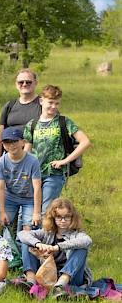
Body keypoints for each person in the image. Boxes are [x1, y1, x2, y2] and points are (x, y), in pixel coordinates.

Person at [24, 85, 91, 213]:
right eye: (50, 102)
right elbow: (27, 149)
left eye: (57, 103)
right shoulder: (32, 124)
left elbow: (85, 142)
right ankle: (29, 233)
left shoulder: (64, 122)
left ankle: (44, 233)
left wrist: (65, 161)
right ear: (41, 100)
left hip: (54, 173)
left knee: (45, 210)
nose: (54, 106)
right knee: (30, 210)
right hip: (34, 173)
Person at [18, 198, 92, 299]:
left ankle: (59, 287)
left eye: (67, 217)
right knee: (27, 243)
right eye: (59, 217)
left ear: (72, 217)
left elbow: (87, 240)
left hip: (70, 278)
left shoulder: (77, 234)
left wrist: (58, 247)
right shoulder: (47, 233)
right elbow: (22, 234)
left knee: (81, 248)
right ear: (53, 217)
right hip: (47, 274)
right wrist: (38, 244)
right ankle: (31, 282)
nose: (63, 220)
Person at [0, 127, 42, 232]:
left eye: (14, 141)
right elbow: (0, 188)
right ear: (3, 145)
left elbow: (37, 187)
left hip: (29, 199)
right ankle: (8, 247)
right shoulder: (1, 162)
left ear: (23, 142)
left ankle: (25, 247)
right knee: (3, 223)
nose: (11, 145)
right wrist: (2, 211)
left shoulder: (33, 161)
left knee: (29, 227)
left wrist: (36, 212)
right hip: (10, 198)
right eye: (7, 142)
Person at [0, 69, 41, 162]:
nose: (24, 84)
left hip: (37, 157)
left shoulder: (44, 105)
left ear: (36, 83)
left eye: (28, 82)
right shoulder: (10, 105)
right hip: (12, 157)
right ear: (16, 84)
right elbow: (0, 137)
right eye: (21, 82)